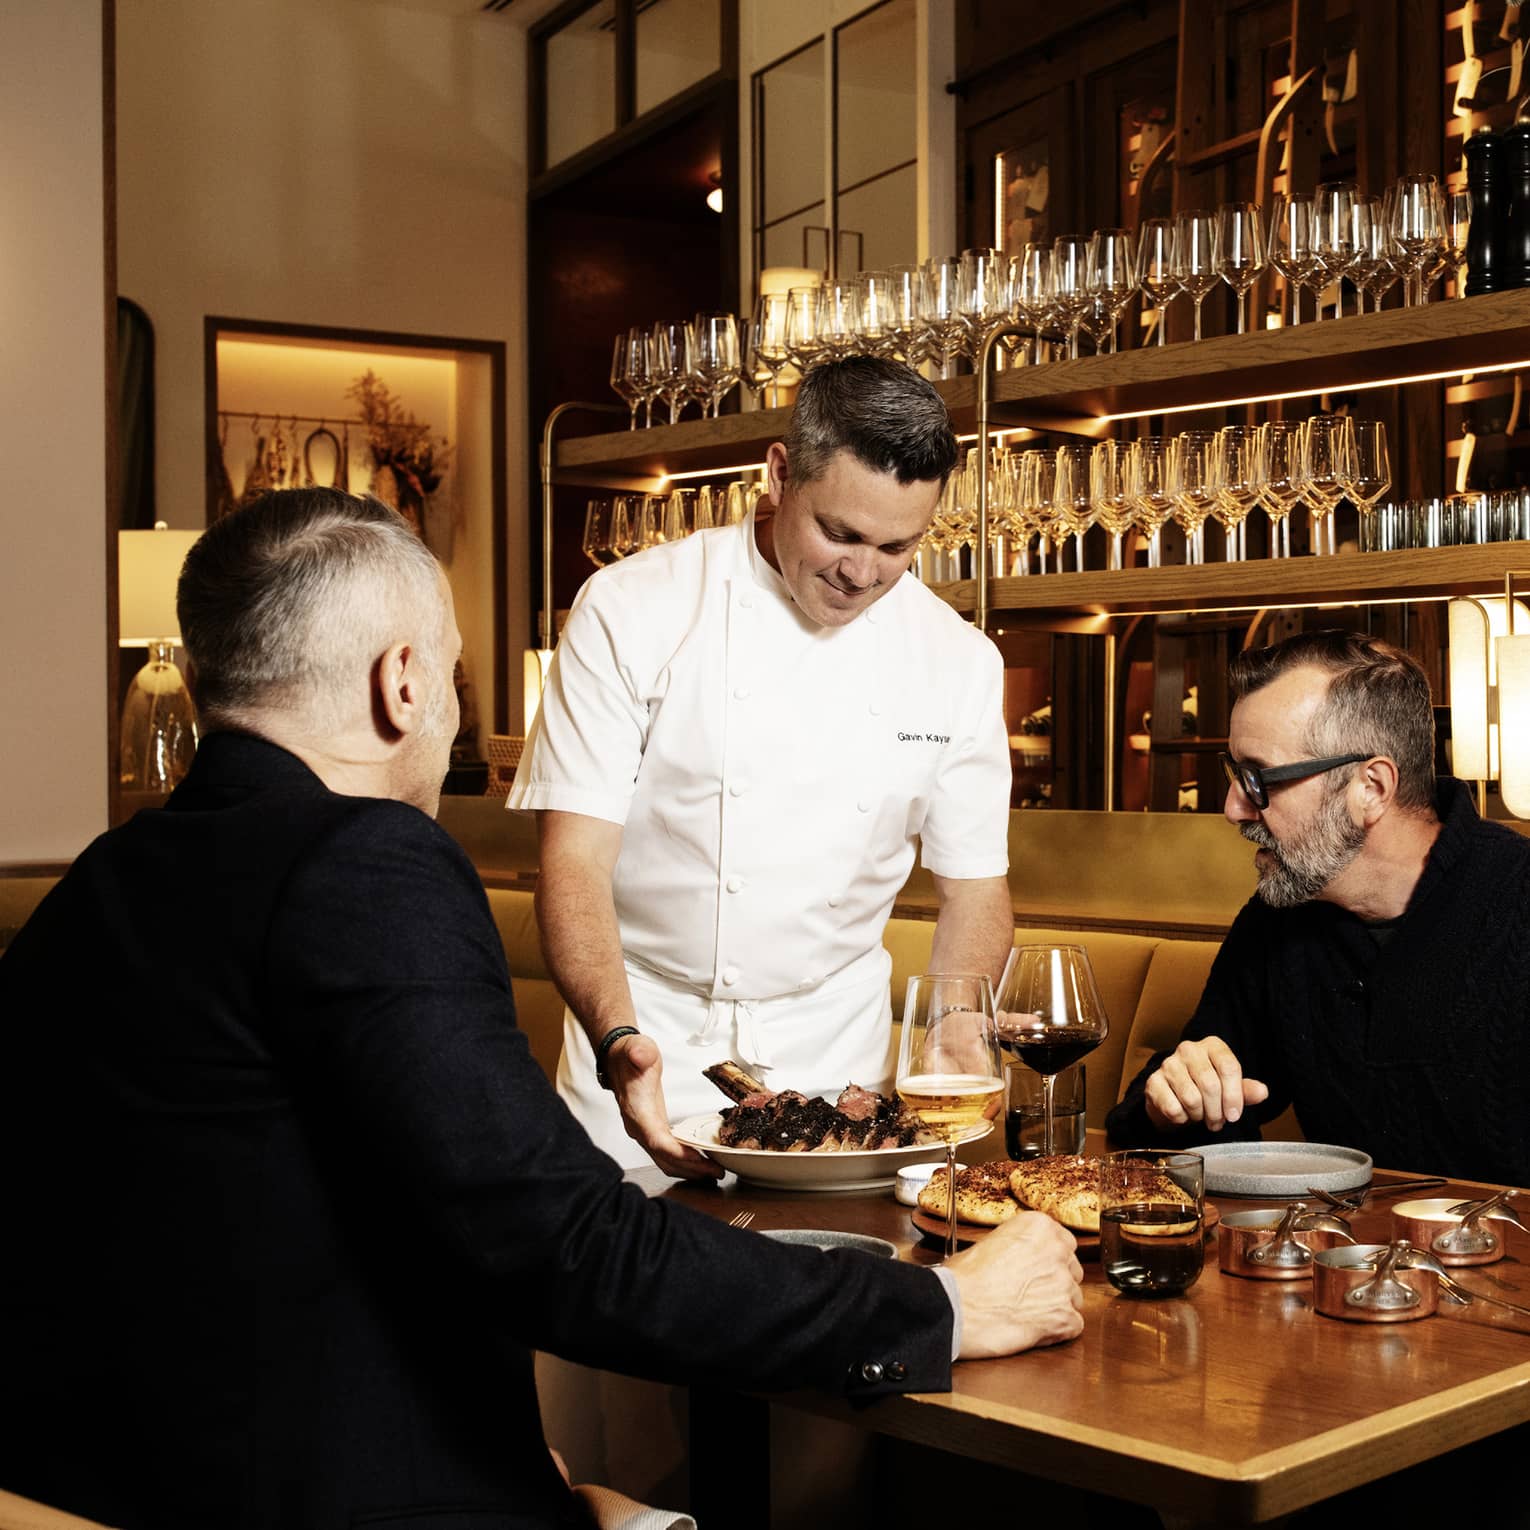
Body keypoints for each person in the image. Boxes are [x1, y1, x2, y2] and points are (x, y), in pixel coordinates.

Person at [0, 489, 1083, 1530]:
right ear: (404, 684)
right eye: (455, 673)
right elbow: (567, 1249)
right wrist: (946, 1310)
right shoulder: (367, 864)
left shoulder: (101, 883)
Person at [509, 357, 1014, 1176]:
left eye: (897, 546)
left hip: (840, 1059)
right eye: (840, 533)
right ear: (779, 474)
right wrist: (617, 1037)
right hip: (647, 1039)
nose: (862, 573)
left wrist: (957, 1021)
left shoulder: (957, 660)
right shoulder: (633, 609)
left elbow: (975, 888)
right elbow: (573, 862)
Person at [1107, 629, 1530, 1188]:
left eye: (1258, 778)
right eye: (1234, 774)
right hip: (1334, 1240)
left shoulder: (1516, 902)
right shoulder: (1280, 917)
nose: (1234, 808)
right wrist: (1173, 1100)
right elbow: (1184, 1122)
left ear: (1371, 787)